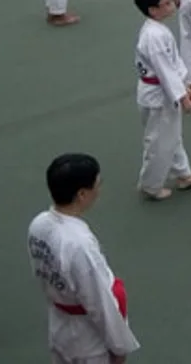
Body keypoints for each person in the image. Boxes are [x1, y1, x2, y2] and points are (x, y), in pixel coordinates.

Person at [29, 152, 140, 363]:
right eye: (97, 184)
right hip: (88, 341)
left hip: (59, 323)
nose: (99, 190)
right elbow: (98, 301)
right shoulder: (78, 245)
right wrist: (118, 347)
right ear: (81, 194)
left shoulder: (39, 224)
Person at [134, 0, 191, 198]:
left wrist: (185, 85)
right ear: (153, 10)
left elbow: (173, 65)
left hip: (162, 91)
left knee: (171, 137)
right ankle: (150, 185)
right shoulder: (154, 36)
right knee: (158, 142)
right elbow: (164, 70)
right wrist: (182, 97)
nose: (172, 5)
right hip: (158, 97)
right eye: (166, 3)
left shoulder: (158, 31)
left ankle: (183, 174)